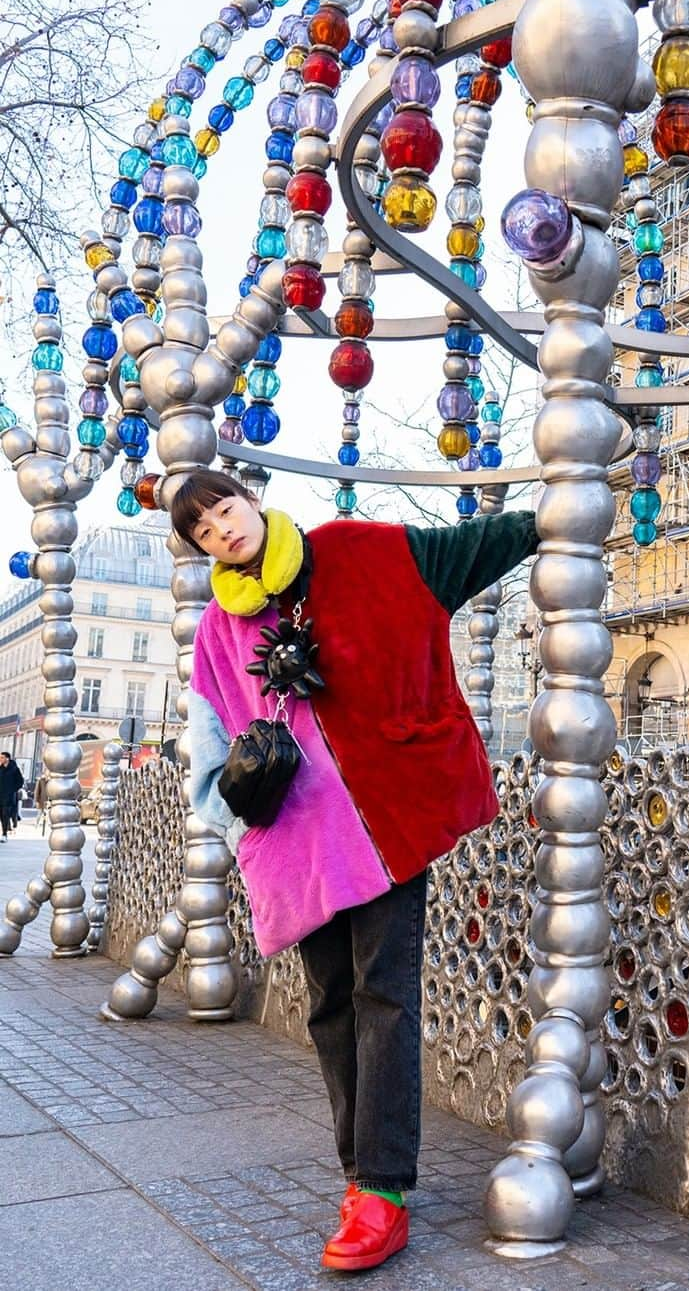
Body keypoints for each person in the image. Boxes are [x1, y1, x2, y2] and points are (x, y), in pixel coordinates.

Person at [178, 470, 537, 1274]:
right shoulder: (217, 629)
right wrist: (232, 805)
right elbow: (205, 748)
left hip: (385, 826)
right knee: (332, 1005)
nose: (223, 531)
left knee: (385, 995)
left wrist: (546, 517)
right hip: (297, 846)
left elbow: (458, 555)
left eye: (225, 510)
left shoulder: (351, 551)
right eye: (203, 531)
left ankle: (383, 1188)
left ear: (250, 501)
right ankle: (359, 1175)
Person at [0, 752, 24, 840]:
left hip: (9, 797)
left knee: (5, 814)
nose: (0, 759)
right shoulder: (1, 769)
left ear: (7, 758)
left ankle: (4, 833)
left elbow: (20, 781)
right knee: (1, 816)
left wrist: (13, 790)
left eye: (2, 757)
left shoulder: (14, 769)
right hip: (0, 795)